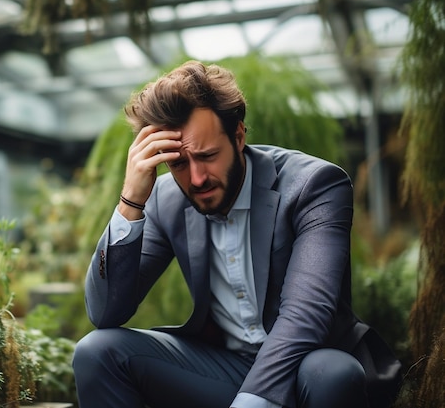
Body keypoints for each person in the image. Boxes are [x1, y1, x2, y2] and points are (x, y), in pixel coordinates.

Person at [72, 60, 402, 408]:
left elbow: (306, 317)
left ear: (239, 136)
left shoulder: (314, 185)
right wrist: (131, 201)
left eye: (208, 156)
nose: (197, 178)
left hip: (305, 367)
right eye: (179, 163)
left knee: (332, 372)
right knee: (97, 351)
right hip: (225, 368)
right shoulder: (164, 199)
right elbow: (106, 313)